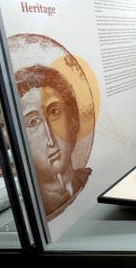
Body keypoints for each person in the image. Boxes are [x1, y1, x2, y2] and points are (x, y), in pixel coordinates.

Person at [15, 64, 92, 221]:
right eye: (33, 122)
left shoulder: (92, 179)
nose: (50, 139)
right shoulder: (37, 211)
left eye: (54, 112)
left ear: (72, 120)